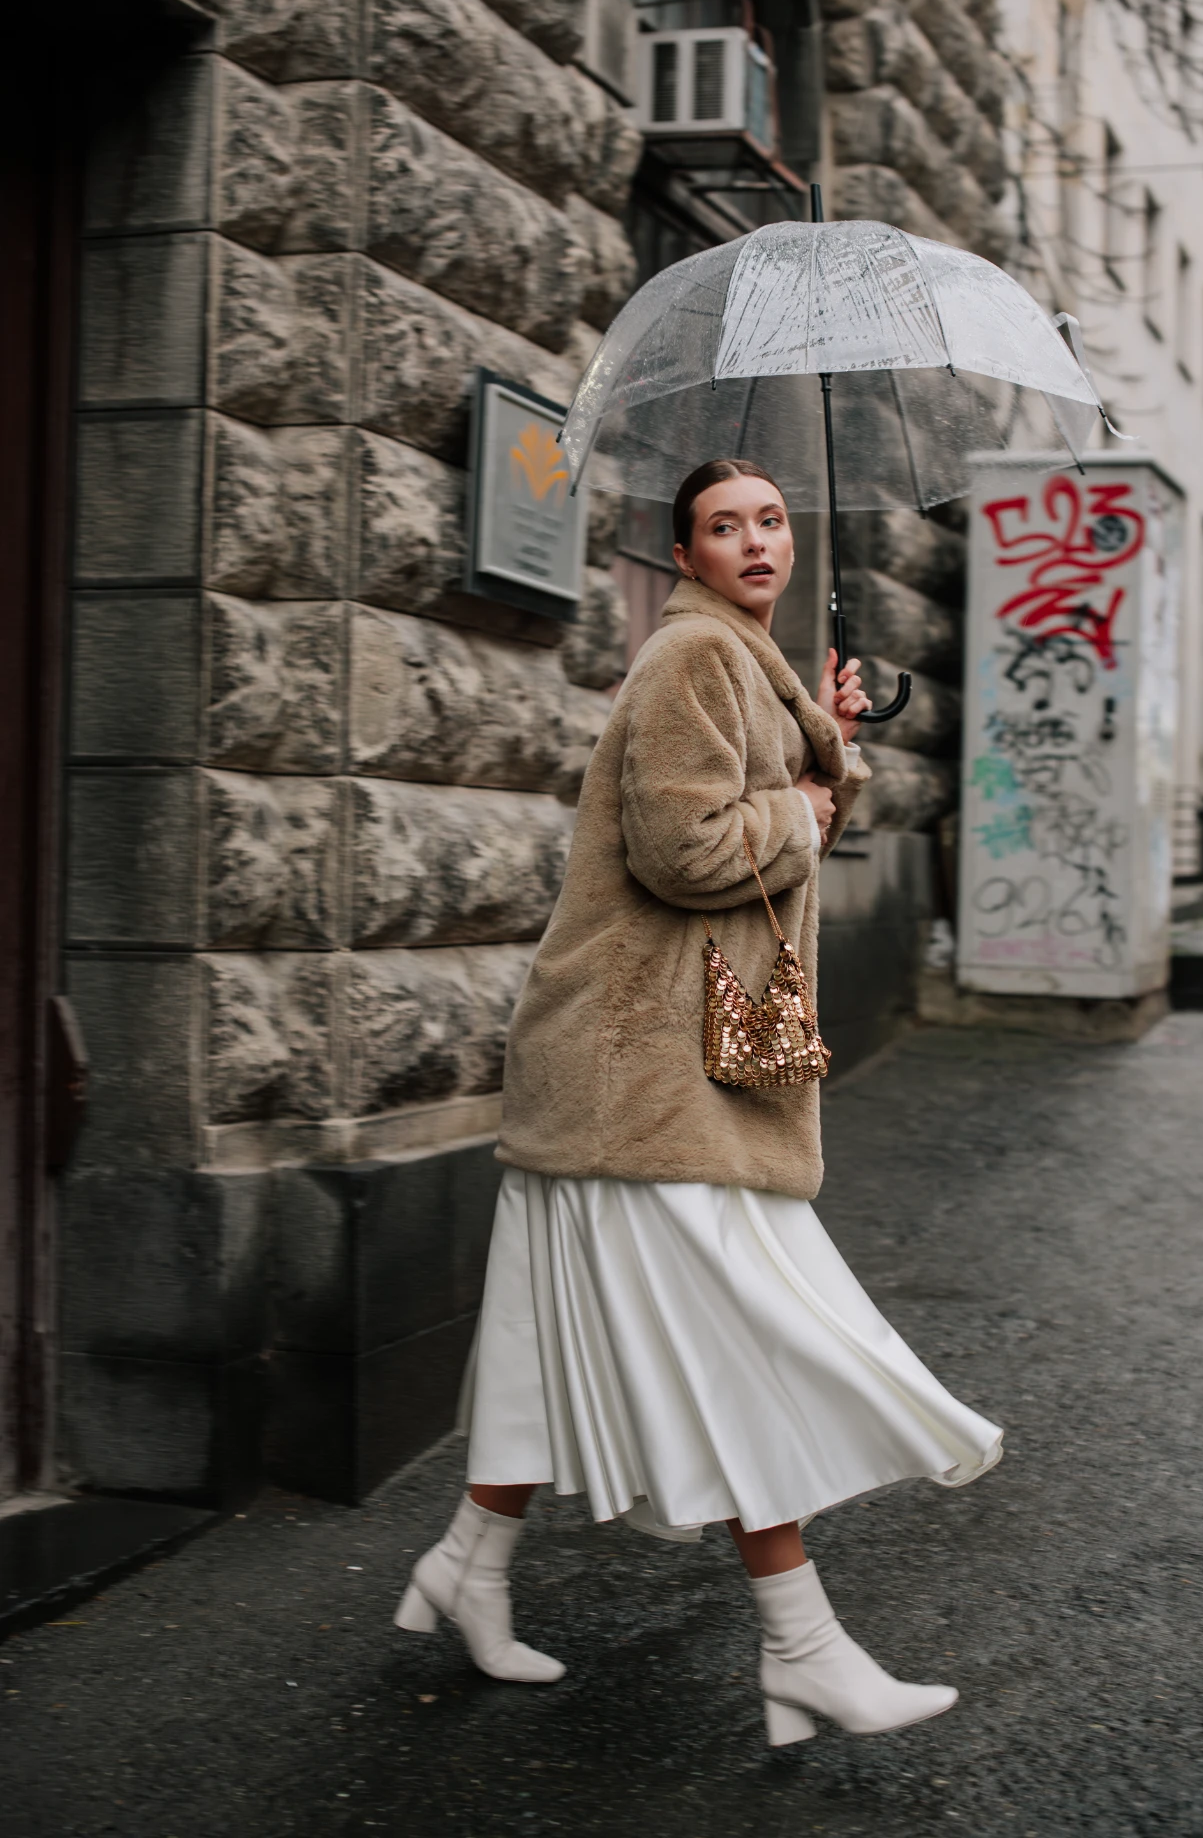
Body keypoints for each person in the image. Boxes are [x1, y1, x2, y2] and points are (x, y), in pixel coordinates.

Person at [394, 459, 1002, 1746]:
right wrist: (805, 797)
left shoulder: (738, 663)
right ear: (688, 552)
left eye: (772, 520)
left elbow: (775, 810)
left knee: (541, 1342)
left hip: (632, 1069)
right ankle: (806, 1649)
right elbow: (690, 854)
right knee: (740, 1337)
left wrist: (826, 743)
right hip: (641, 1074)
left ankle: (467, 1567)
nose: (757, 541)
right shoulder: (691, 662)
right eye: (725, 527)